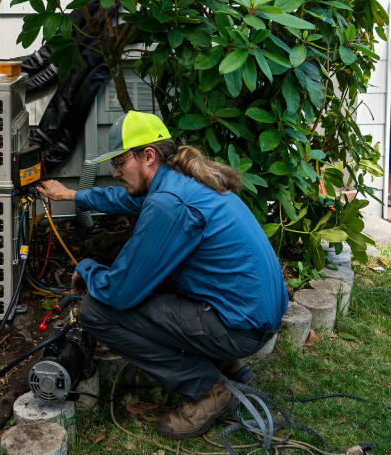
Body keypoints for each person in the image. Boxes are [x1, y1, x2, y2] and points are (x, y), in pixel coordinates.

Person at [37, 110, 288, 440]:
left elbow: (120, 292)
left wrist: (87, 271)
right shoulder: (182, 182)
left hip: (239, 326)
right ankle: (228, 364)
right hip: (253, 313)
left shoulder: (168, 205)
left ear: (148, 156)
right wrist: (72, 195)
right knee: (157, 281)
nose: (114, 172)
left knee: (96, 311)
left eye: (119, 163)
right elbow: (125, 199)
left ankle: (209, 390)